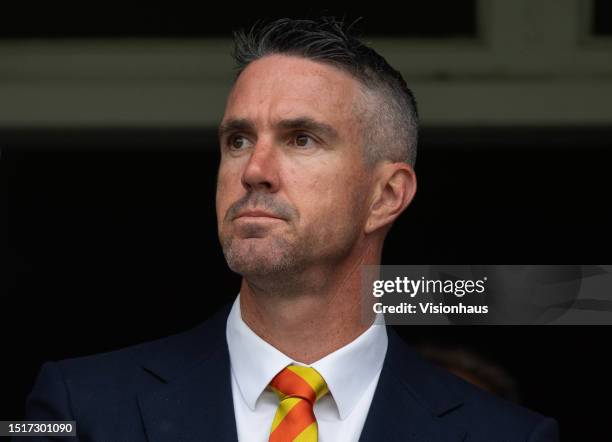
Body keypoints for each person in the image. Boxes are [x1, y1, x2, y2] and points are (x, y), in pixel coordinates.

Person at [20, 17, 559, 442]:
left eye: (301, 139)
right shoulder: (80, 407)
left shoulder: (506, 435)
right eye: (237, 140)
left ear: (386, 195)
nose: (253, 169)